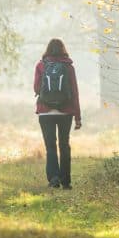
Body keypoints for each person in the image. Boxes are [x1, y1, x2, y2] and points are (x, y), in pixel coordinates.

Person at [33, 38, 81, 189]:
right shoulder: (68, 67)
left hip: (45, 112)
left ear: (47, 50)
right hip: (65, 112)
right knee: (64, 145)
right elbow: (74, 92)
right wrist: (78, 117)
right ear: (63, 49)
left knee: (50, 146)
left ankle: (54, 179)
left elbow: (36, 88)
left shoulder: (41, 65)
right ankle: (66, 181)